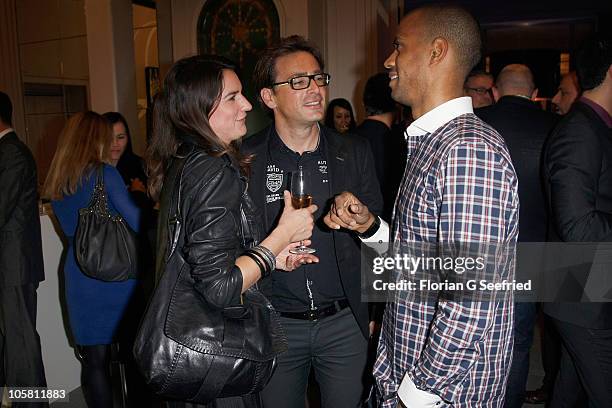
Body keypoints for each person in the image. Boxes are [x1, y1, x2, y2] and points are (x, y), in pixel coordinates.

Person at [324, 5, 519, 407]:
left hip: (440, 394)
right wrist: (371, 229)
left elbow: (470, 300)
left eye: (398, 46)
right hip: (406, 372)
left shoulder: (467, 150)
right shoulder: (433, 143)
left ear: (436, 51)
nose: (387, 60)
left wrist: (415, 393)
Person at [146, 54, 317, 408]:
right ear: (200, 108)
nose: (247, 104)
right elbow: (220, 288)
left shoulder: (185, 159)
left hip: (194, 353)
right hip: (213, 359)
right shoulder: (213, 169)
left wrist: (273, 259)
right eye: (233, 97)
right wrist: (282, 235)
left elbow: (205, 260)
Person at [244, 35, 383, 408]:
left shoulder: (354, 151)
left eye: (319, 78)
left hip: (343, 322)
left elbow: (381, 240)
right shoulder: (245, 159)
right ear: (269, 97)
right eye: (298, 81)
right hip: (275, 324)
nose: (315, 89)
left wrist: (376, 311)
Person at [43, 111, 141, 408]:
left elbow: (70, 229)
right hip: (115, 275)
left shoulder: (59, 179)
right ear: (94, 138)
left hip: (78, 274)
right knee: (130, 354)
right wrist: (138, 195)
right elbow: (136, 220)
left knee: (93, 360)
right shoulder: (104, 174)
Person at [476, 64, 558, 408]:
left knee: (471, 339)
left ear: (495, 90)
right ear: (534, 90)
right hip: (532, 253)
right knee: (519, 342)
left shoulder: (475, 123)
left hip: (474, 251)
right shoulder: (555, 128)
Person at [543, 34, 612, 408]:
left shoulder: (592, 127)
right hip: (582, 295)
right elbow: (578, 226)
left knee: (570, 393)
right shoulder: (580, 131)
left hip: (585, 290)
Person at [0, 91, 48, 408]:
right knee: (14, 342)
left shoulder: (12, 154)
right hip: (11, 266)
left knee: (19, 344)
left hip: (13, 266)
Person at [354, 73, 406, 223]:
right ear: (397, 102)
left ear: (365, 103)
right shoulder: (399, 143)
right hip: (384, 232)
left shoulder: (347, 139)